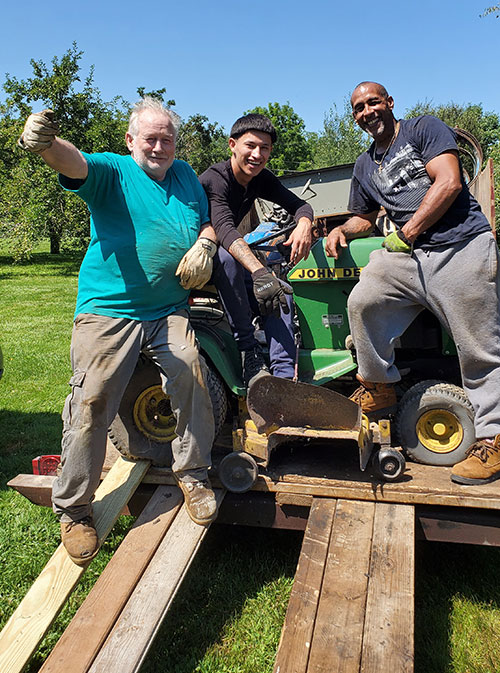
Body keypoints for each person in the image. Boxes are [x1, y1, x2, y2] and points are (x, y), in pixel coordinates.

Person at [18, 97, 220, 565]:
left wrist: (206, 242)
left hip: (168, 308)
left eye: (167, 138)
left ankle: (193, 474)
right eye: (150, 138)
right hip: (109, 311)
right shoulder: (113, 171)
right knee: (91, 401)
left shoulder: (186, 175)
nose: (159, 145)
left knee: (191, 375)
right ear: (130, 141)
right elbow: (76, 163)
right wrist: (48, 145)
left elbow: (203, 218)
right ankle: (73, 508)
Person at [325, 81, 500, 486]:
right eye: (358, 108)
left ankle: (493, 439)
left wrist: (408, 233)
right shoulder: (364, 164)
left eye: (373, 102)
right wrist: (341, 232)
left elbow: (449, 182)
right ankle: (378, 386)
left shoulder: (423, 129)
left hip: (461, 245)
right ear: (354, 117)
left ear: (389, 103)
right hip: (411, 255)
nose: (367, 111)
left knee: (479, 349)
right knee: (363, 300)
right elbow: (365, 216)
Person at [199, 114, 314, 386]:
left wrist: (304, 224)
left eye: (264, 148)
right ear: (232, 145)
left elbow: (300, 205)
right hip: (196, 254)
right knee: (228, 258)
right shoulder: (216, 179)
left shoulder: (260, 179)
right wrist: (260, 272)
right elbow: (225, 230)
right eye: (250, 145)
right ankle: (248, 351)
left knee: (279, 293)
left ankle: (285, 379)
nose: (257, 154)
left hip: (222, 248)